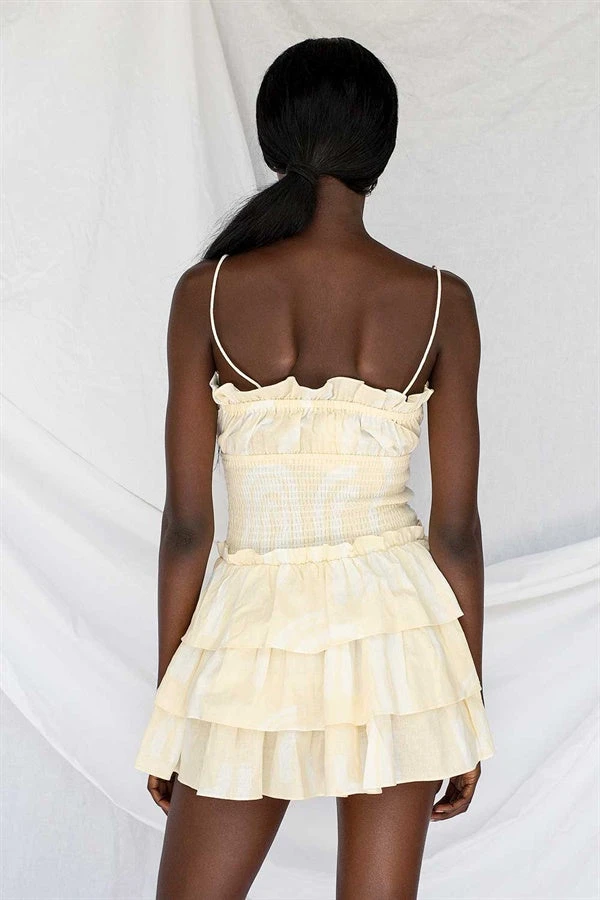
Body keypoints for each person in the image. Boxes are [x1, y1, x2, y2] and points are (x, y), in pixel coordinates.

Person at [134, 36, 495, 899]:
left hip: (249, 628)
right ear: (382, 150)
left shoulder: (206, 294)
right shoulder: (441, 302)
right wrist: (464, 704)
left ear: (274, 141)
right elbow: (454, 531)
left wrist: (175, 700)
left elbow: (188, 524)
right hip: (400, 637)